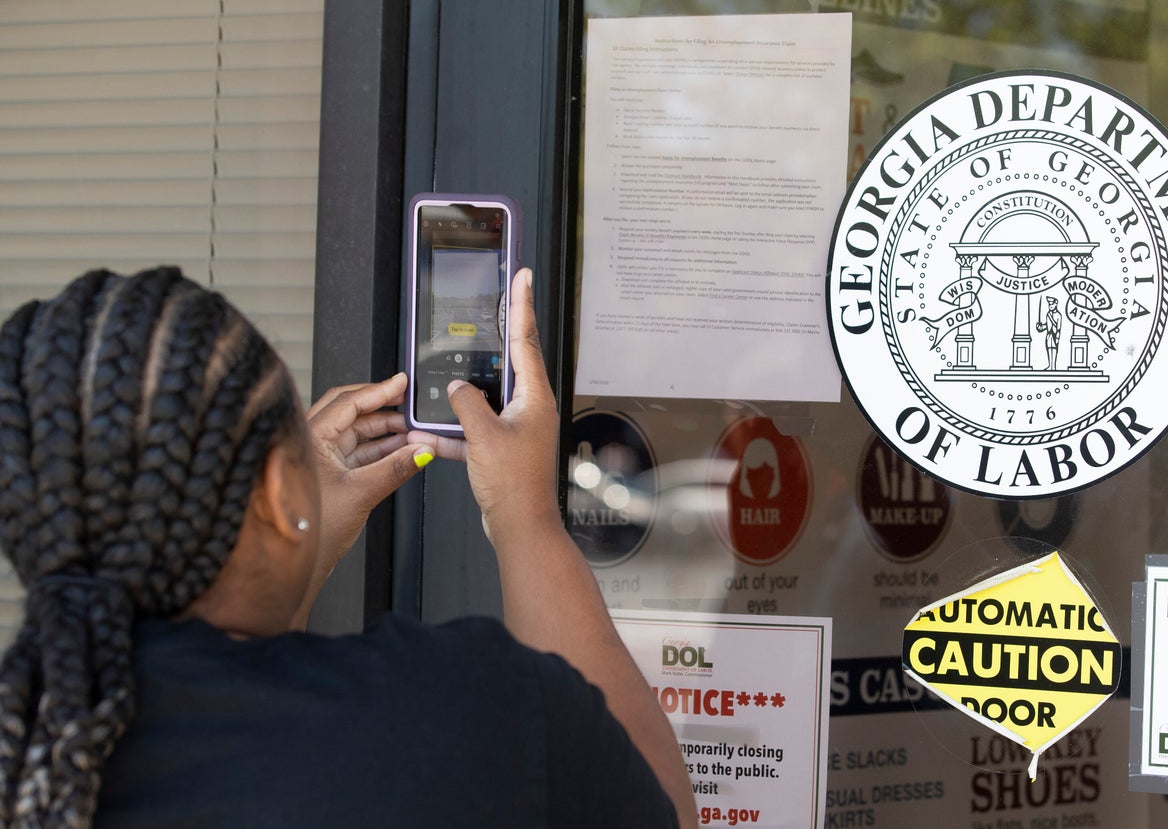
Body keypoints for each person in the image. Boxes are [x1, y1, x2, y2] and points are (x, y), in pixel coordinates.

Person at [0, 266, 696, 827]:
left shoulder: (30, 749)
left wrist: (295, 543)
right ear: (277, 492)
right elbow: (654, 806)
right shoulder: (463, 718)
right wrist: (526, 515)